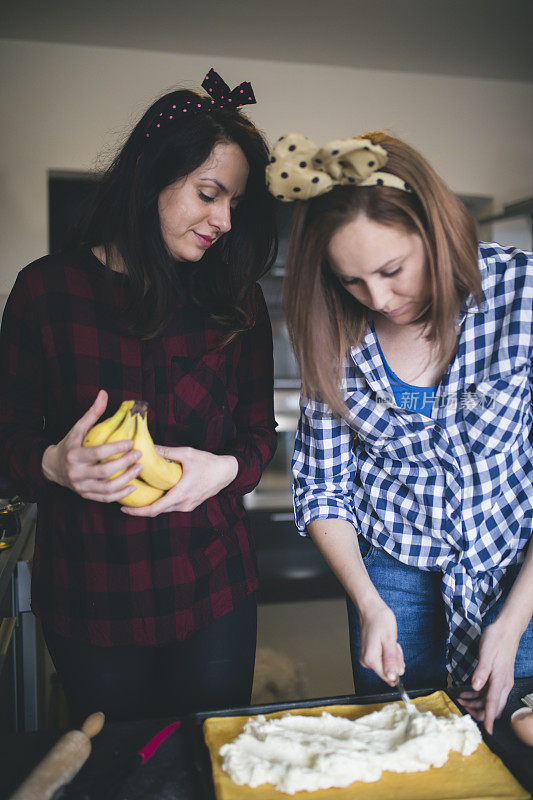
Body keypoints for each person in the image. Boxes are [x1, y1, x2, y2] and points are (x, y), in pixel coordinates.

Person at [0, 69, 277, 724]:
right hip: (90, 594)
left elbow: (259, 433)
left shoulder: (236, 301)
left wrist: (226, 470)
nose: (223, 220)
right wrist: (48, 463)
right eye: (209, 193)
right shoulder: (46, 291)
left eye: (234, 202)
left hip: (215, 585)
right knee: (120, 770)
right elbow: (6, 429)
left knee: (209, 755)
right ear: (151, 175)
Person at [266, 130, 533, 734]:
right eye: (352, 281)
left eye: (391, 271)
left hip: (519, 574)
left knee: (513, 744)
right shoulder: (332, 331)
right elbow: (324, 491)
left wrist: (513, 623)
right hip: (391, 579)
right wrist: (369, 605)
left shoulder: (522, 294)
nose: (378, 299)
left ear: (433, 233)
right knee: (401, 742)